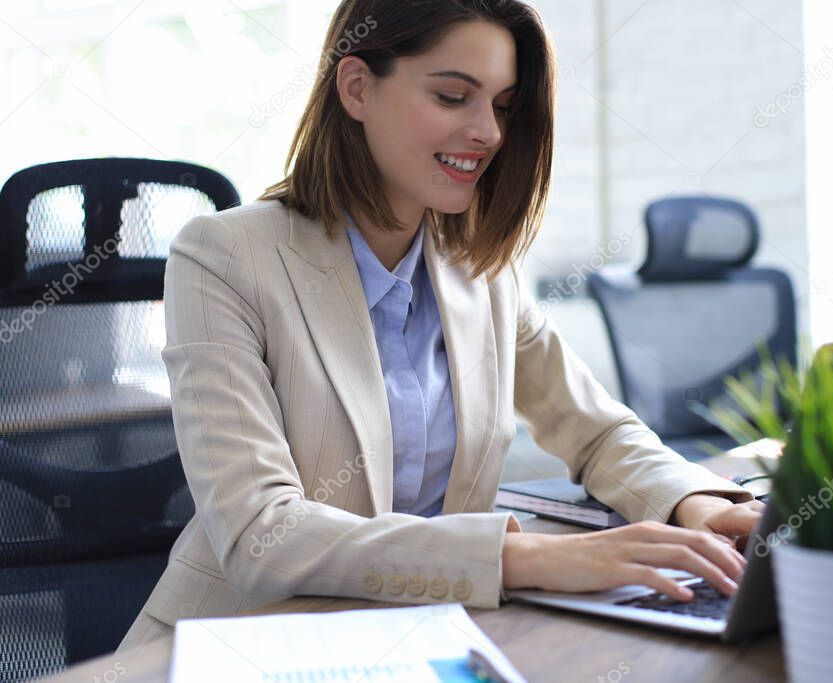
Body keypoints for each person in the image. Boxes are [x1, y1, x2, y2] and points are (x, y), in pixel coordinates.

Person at [117, 0, 764, 654]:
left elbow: (594, 430)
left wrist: (695, 504)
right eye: (454, 96)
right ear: (357, 88)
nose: (488, 132)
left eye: (504, 106)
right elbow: (262, 534)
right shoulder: (225, 256)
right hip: (241, 641)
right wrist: (525, 558)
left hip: (420, 638)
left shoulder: (478, 267)